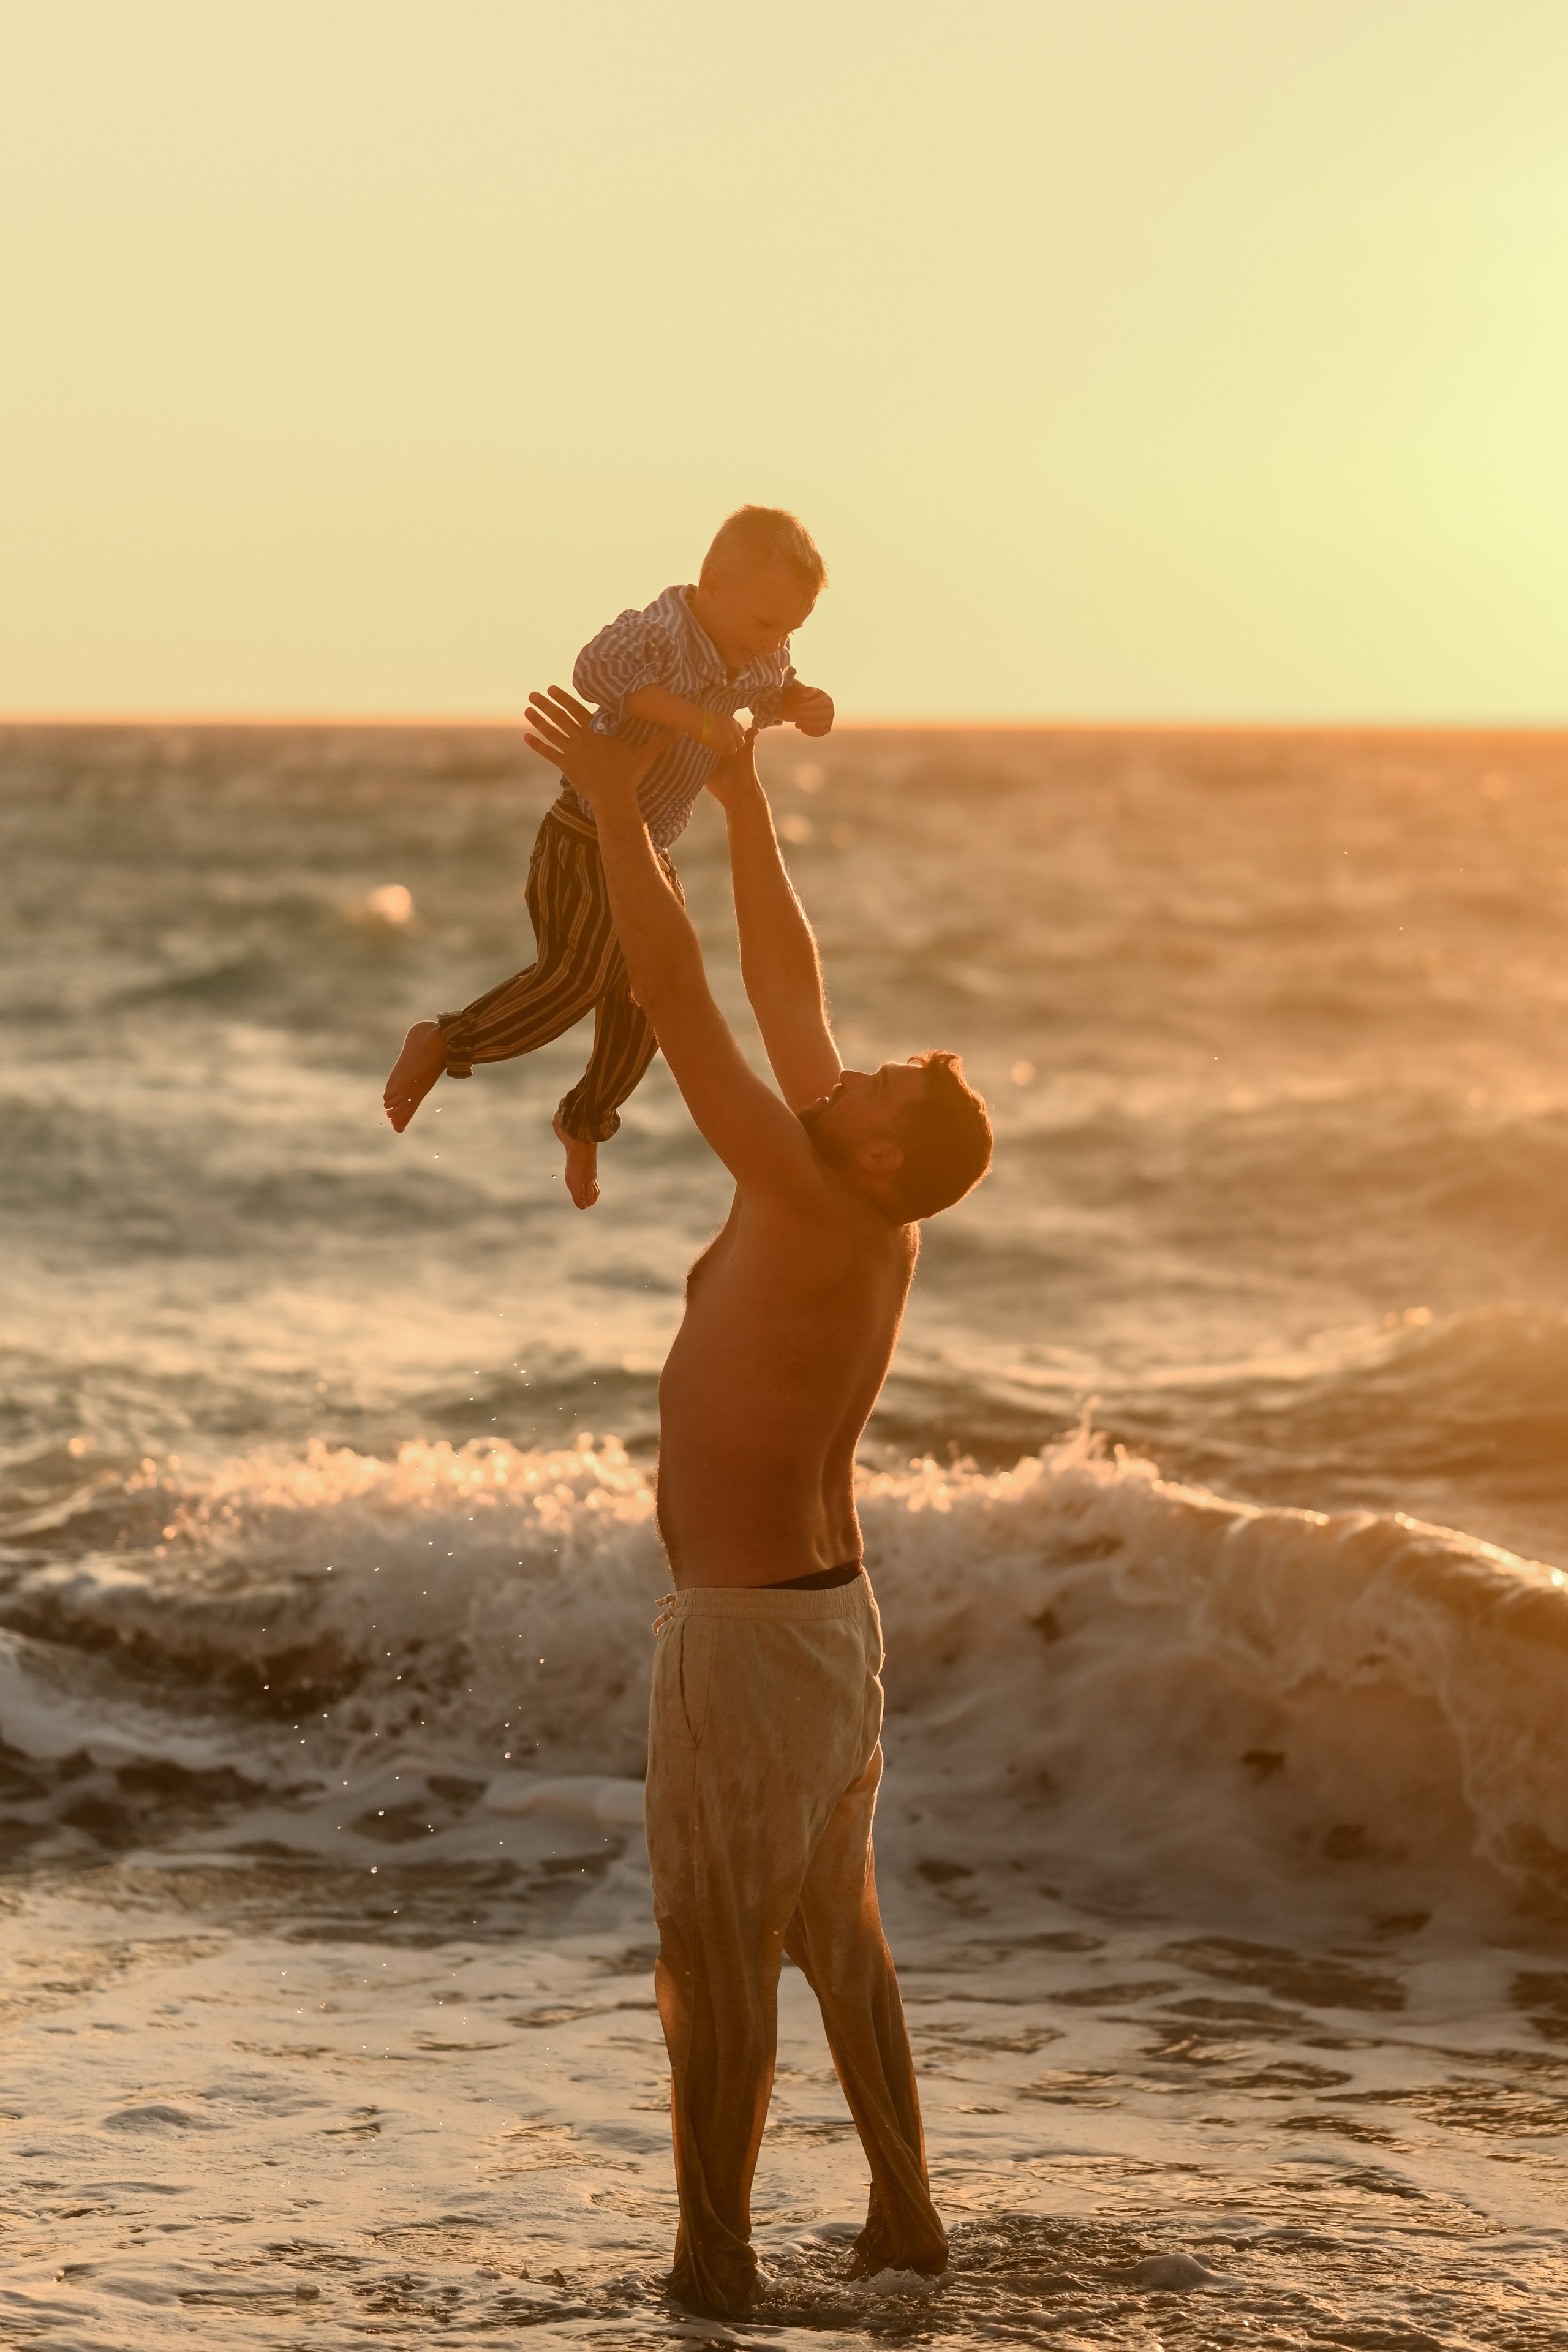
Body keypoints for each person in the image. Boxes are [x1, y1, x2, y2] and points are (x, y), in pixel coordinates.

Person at [518, 685, 993, 2319]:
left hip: (747, 1640)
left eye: (876, 1084)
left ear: (878, 1154)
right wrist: (740, 803)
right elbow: (784, 986)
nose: (845, 1070)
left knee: (710, 1960)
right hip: (825, 1625)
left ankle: (711, 2260)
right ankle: (904, 2215)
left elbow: (673, 988)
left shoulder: (802, 1186)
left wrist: (602, 802)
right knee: (830, 1931)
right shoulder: (865, 1205)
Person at [382, 506, 835, 1208]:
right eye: (765, 623)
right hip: (584, 830)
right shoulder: (660, 632)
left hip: (649, 848)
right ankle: (445, 1039)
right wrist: (695, 719)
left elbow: (772, 692)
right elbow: (594, 670)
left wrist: (805, 704)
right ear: (711, 584)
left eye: (789, 631)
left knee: (653, 1003)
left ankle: (584, 1117)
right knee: (576, 977)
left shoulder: (758, 654)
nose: (772, 644)